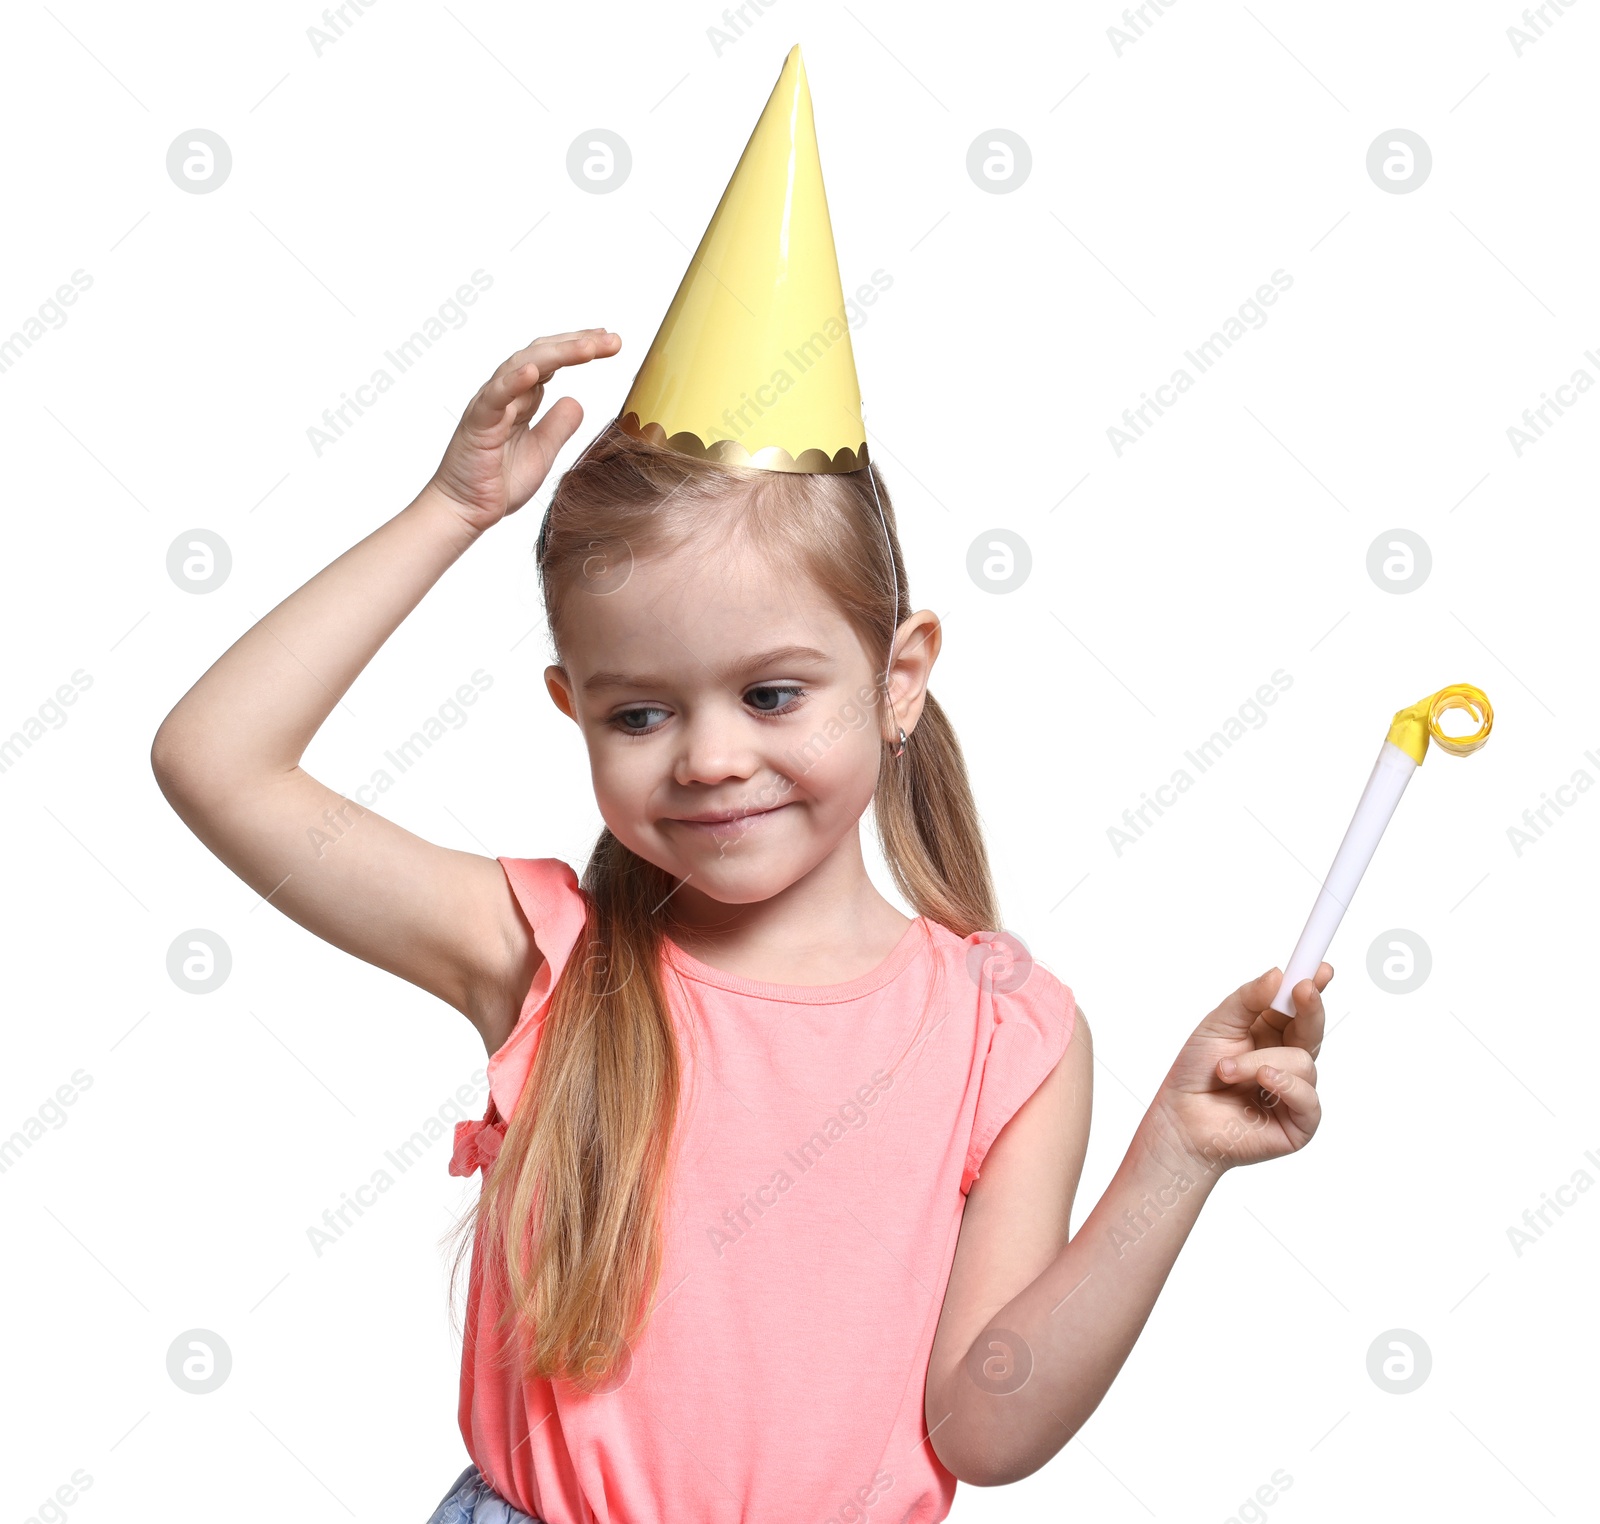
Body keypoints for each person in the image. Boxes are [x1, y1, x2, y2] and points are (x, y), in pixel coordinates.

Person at [150, 46, 1331, 1524]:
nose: (710, 755)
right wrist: (452, 510)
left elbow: (984, 1427)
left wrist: (1175, 1158)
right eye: (641, 711)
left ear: (899, 677)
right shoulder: (547, 959)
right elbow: (216, 759)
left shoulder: (1006, 1033)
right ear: (570, 707)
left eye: (774, 694)